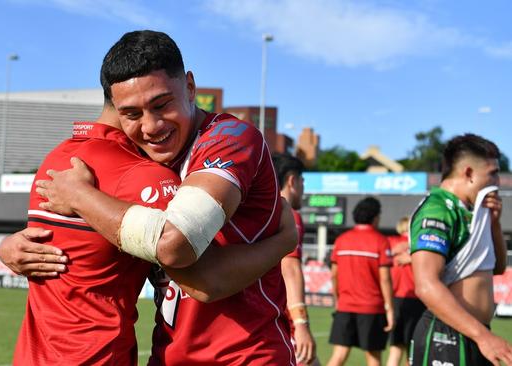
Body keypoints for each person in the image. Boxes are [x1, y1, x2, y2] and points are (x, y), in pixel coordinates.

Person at [34, 30, 296, 364]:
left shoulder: (230, 138)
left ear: (189, 87)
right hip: (168, 354)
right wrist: (13, 247)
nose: (151, 126)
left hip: (246, 356)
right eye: (132, 114)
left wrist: (80, 196)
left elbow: (179, 247)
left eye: (162, 104)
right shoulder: (140, 158)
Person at [409, 133, 512, 365]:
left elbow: (497, 268)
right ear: (468, 173)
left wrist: (494, 224)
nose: (497, 182)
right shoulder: (437, 209)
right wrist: (484, 337)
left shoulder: (471, 211)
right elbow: (426, 286)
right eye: (493, 173)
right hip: (446, 336)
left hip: (472, 334)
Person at [327, 197, 394, 366]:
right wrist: (390, 308)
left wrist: (337, 299)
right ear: (375, 217)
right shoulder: (381, 241)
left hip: (345, 306)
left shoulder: (341, 240)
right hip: (372, 308)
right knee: (373, 358)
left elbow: (334, 275)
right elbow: (385, 278)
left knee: (339, 356)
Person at [273, 153, 317, 365]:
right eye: (302, 182)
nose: (303, 189)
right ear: (292, 181)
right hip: (283, 319)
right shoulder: (288, 214)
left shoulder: (264, 212)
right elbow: (289, 268)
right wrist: (301, 324)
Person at [386, 217, 425, 366]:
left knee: (395, 349)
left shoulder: (390, 243)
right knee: (412, 350)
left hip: (395, 298)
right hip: (416, 298)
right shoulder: (420, 244)